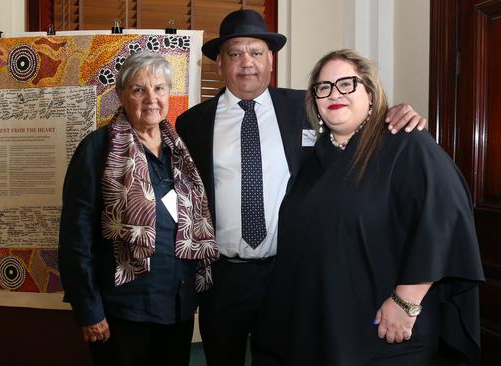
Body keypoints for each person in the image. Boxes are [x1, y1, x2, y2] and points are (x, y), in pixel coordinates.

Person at [175, 9, 428, 366]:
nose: (247, 62)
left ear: (271, 61)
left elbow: (356, 123)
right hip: (223, 277)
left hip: (291, 271)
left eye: (257, 52)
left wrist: (395, 113)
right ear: (220, 63)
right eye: (235, 53)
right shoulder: (192, 124)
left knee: (289, 355)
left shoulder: (307, 107)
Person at [253, 49, 485, 366]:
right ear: (315, 102)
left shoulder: (405, 143)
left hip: (384, 330)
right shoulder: (314, 160)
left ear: (371, 93)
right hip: (324, 327)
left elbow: (445, 218)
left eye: (347, 83)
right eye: (324, 87)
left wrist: (406, 301)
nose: (335, 93)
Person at [58, 51, 218, 366]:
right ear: (120, 94)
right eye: (138, 89)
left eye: (159, 88)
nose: (151, 98)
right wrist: (89, 310)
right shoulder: (98, 149)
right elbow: (75, 239)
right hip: (122, 312)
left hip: (176, 308)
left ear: (169, 93)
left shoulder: (180, 151)